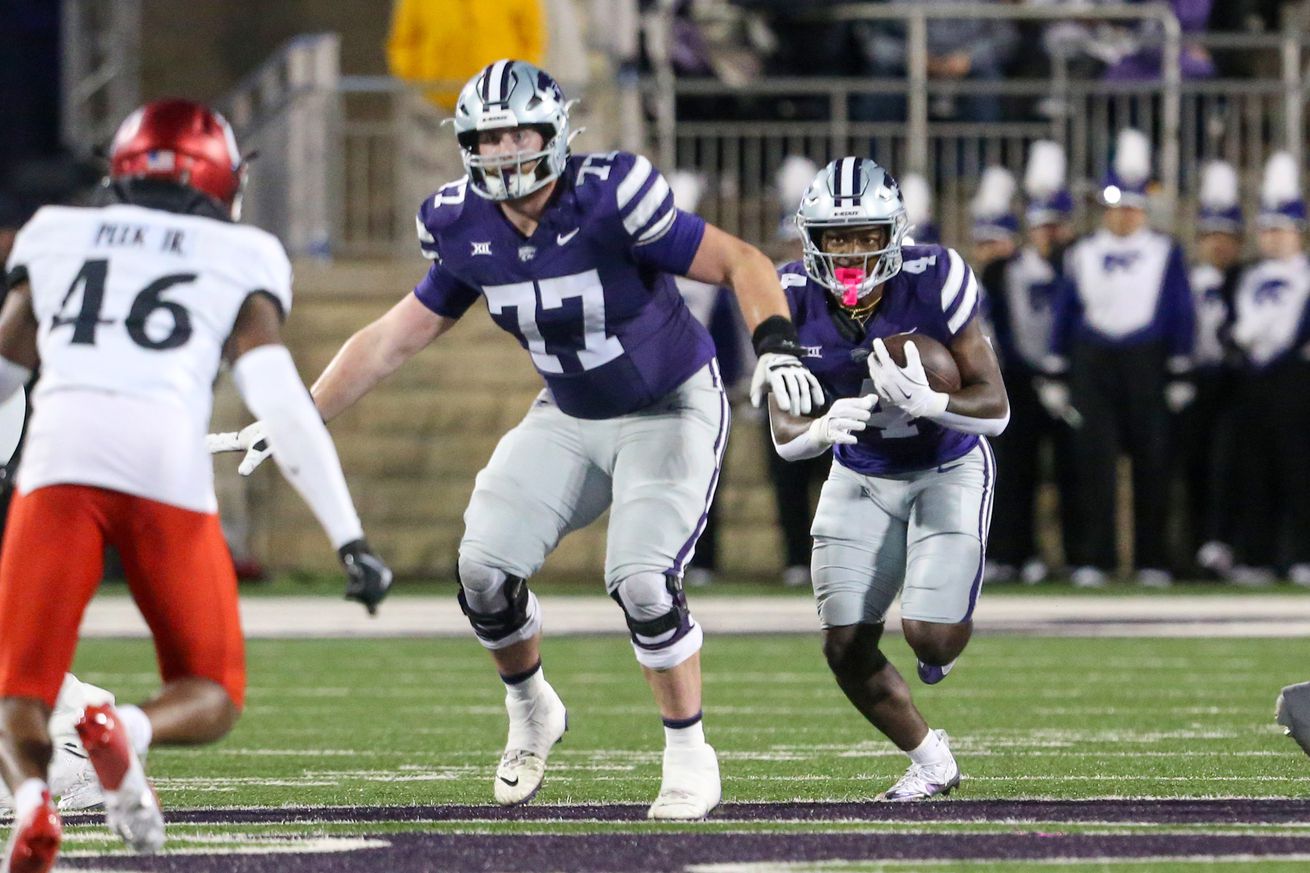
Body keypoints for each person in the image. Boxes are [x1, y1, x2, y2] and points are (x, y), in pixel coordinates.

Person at [211, 60, 824, 820]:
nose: (501, 150)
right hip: (569, 412)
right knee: (483, 569)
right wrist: (298, 414)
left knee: (640, 578)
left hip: (669, 404)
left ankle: (689, 754)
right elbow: (391, 338)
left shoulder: (612, 196)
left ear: (554, 132)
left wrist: (777, 345)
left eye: (515, 132)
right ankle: (532, 706)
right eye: (486, 136)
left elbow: (742, 260)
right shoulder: (459, 221)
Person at [0, 99, 392, 871]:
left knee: (20, 691)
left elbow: (7, 364)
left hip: (57, 462)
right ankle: (129, 731)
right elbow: (280, 400)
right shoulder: (240, 251)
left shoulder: (54, 232)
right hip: (162, 471)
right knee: (212, 689)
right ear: (223, 176)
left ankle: (34, 801)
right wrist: (349, 537)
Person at [768, 157, 1008, 800]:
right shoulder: (787, 293)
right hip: (861, 471)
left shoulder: (937, 276)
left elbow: (997, 407)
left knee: (929, 637)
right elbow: (785, 432)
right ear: (811, 238)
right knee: (844, 645)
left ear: (894, 233)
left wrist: (933, 403)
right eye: (837, 237)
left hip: (946, 465)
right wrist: (820, 430)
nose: (850, 252)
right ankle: (932, 762)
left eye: (866, 235)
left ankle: (941, 630)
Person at [1047, 128, 1194, 588]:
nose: (1123, 217)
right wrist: (1056, 367)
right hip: (1094, 359)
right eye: (1116, 208)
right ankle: (1096, 557)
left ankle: (1153, 558)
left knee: (1154, 461)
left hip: (1146, 360)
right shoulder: (1083, 252)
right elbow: (1065, 310)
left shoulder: (1165, 251)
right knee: (1094, 460)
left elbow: (1179, 308)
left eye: (1131, 207)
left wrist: (1180, 366)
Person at [984, 141, 1078, 586]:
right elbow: (1002, 326)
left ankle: (1072, 557)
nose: (1048, 234)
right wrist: (1024, 369)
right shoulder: (1006, 269)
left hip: (1067, 379)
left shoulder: (1076, 265)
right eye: (1041, 225)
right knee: (1014, 471)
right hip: (1019, 380)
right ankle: (1013, 553)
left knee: (1070, 471)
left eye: (1055, 225)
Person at [1227, 151, 1310, 586]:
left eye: (1281, 230)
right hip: (1254, 381)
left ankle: (1300, 555)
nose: (1273, 239)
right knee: (1254, 470)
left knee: (1299, 470)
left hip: (1296, 382)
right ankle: (1255, 556)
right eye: (1267, 230)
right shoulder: (1247, 276)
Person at [1186, 160, 1244, 580]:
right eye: (1211, 235)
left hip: (1237, 382)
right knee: (1194, 466)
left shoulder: (1249, 278)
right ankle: (1193, 548)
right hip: (1194, 379)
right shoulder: (1186, 279)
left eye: (1226, 236)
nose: (1218, 245)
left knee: (1233, 465)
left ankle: (1228, 545)